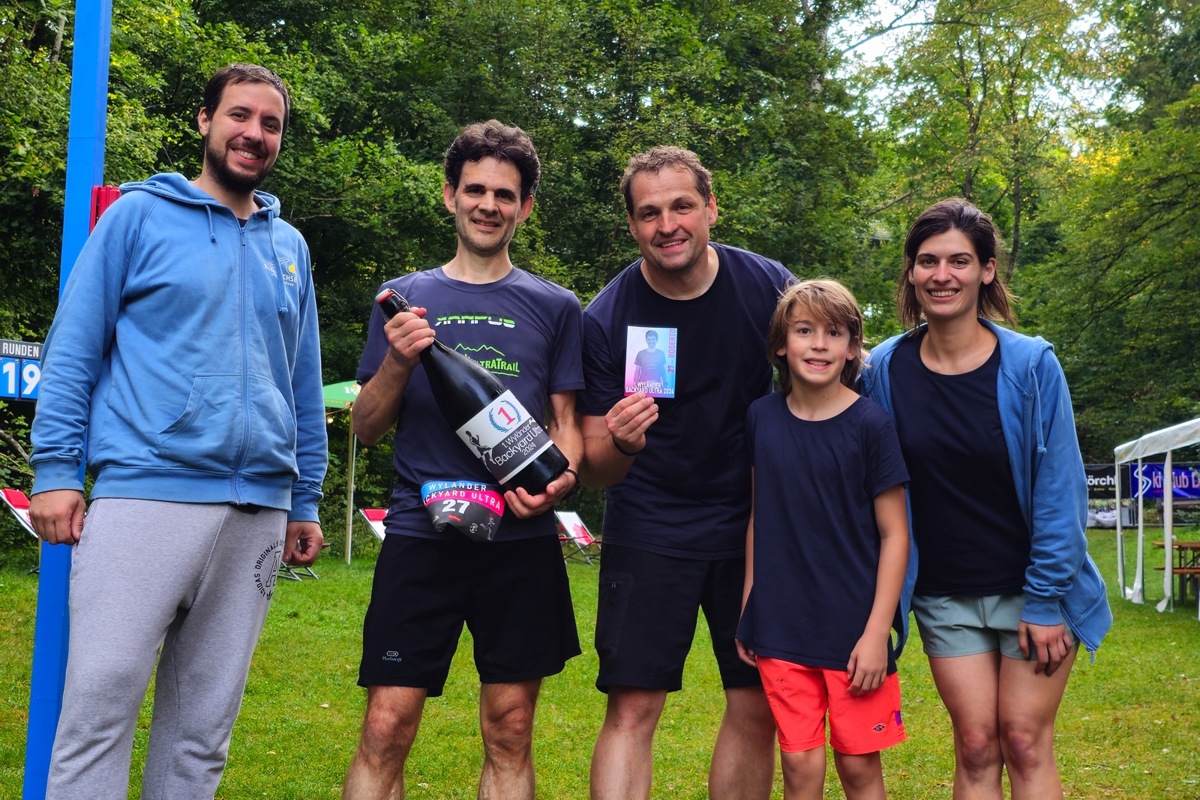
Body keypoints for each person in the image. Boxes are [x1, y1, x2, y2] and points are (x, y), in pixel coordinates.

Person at [28, 63, 328, 799]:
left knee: (201, 737)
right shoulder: (136, 217)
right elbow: (73, 347)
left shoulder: (289, 247)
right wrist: (56, 470)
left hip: (258, 512)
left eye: (270, 123)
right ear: (204, 121)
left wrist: (307, 497)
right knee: (97, 712)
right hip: (145, 496)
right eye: (239, 115)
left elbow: (302, 382)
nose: (253, 133)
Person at [342, 120, 584, 800]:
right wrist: (397, 358)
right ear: (449, 196)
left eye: (504, 194)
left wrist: (559, 480)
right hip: (422, 537)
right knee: (386, 726)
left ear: (525, 206)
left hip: (521, 539)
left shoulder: (557, 307)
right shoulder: (403, 297)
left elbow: (567, 429)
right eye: (474, 189)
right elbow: (365, 428)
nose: (488, 204)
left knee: (510, 727)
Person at [859, 198, 1113, 799]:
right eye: (927, 261)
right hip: (945, 594)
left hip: (1035, 591)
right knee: (975, 745)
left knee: (1024, 740)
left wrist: (1047, 601)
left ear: (987, 271)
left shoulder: (1030, 365)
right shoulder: (885, 370)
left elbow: (1060, 492)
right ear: (911, 272)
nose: (942, 275)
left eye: (959, 261)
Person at [578, 145, 794, 800]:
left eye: (681, 206)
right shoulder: (606, 317)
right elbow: (595, 470)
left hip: (753, 528)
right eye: (649, 213)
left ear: (710, 209)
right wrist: (622, 441)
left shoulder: (770, 287)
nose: (667, 225)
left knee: (755, 703)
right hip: (650, 525)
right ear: (632, 226)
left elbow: (821, 393)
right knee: (633, 708)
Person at [735, 280, 909, 800]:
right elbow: (757, 516)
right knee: (799, 767)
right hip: (783, 624)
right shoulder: (761, 419)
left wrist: (878, 632)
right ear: (781, 346)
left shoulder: (871, 425)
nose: (818, 344)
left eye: (834, 333)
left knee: (858, 770)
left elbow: (895, 534)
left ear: (853, 347)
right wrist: (750, 602)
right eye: (804, 330)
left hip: (854, 634)